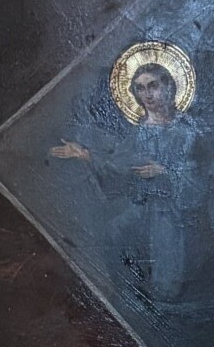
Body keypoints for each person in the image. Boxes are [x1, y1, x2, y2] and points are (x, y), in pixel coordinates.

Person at [51, 57, 202, 306]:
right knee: (114, 231)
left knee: (165, 287)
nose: (147, 94)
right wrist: (84, 153)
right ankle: (127, 295)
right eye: (140, 88)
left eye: (152, 86)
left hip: (170, 213)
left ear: (168, 86)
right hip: (141, 208)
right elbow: (117, 165)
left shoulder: (186, 131)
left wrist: (164, 171)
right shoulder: (139, 131)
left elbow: (199, 178)